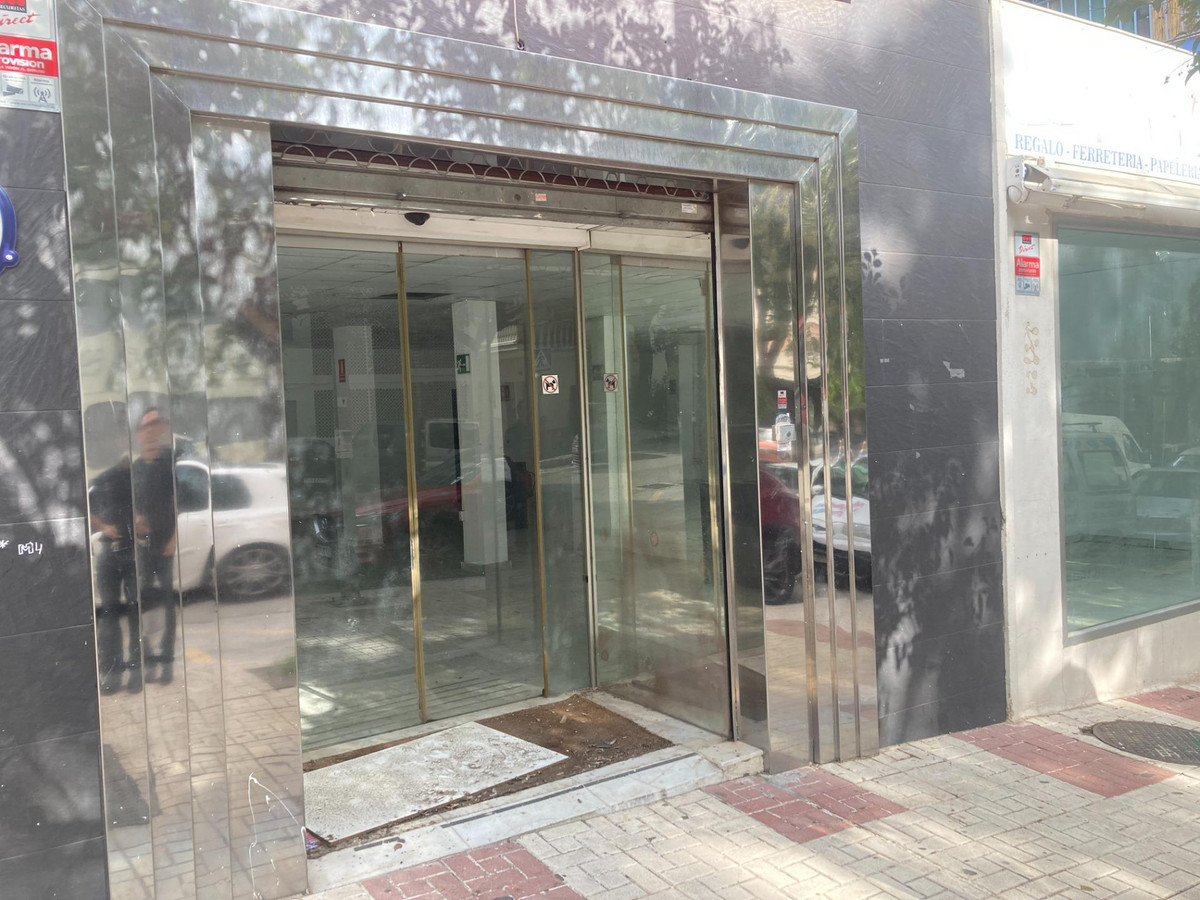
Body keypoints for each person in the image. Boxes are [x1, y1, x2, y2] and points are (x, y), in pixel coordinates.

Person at [132, 408, 179, 685]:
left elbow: (178, 502)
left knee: (168, 603)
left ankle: (167, 661)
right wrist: (136, 518)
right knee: (146, 603)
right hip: (143, 545)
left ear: (162, 428)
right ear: (139, 434)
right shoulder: (135, 468)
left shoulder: (169, 462)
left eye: (154, 424)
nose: (149, 430)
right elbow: (132, 503)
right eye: (145, 426)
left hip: (166, 544)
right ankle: (149, 659)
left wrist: (174, 539)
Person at [90, 456, 140, 694]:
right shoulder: (105, 478)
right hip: (109, 551)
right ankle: (112, 673)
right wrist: (103, 527)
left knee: (135, 613)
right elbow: (88, 507)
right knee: (109, 614)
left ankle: (136, 674)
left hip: (135, 553)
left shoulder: (140, 476)